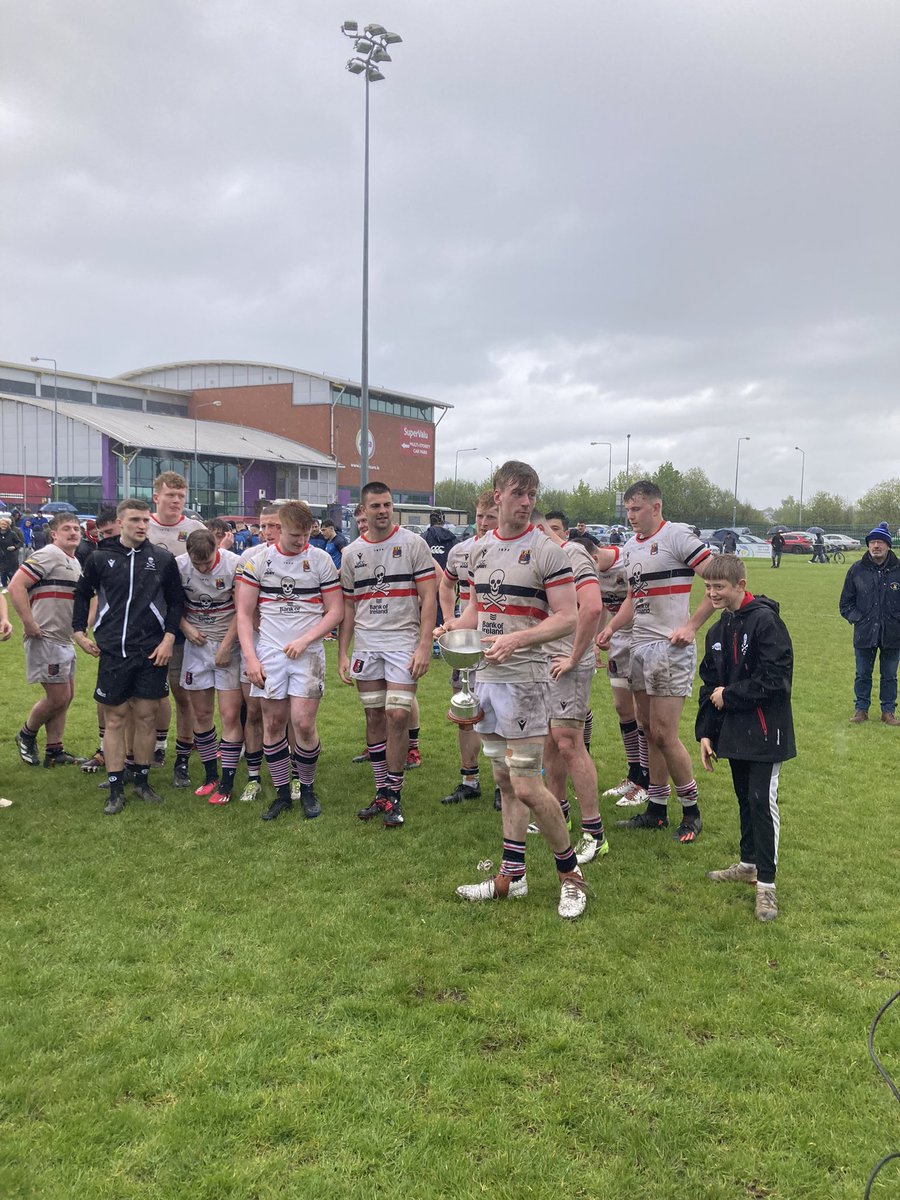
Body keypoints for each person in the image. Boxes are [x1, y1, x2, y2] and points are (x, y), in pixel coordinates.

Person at [440, 460, 588, 920]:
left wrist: (517, 639)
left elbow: (569, 616)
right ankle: (514, 875)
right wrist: (448, 633)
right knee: (503, 781)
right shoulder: (478, 550)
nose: (526, 502)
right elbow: (477, 613)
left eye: (532, 494)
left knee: (526, 784)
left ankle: (571, 877)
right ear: (497, 495)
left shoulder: (547, 551)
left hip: (526, 681)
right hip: (486, 680)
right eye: (518, 493)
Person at [597, 480, 714, 842]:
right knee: (648, 730)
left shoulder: (677, 536)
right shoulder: (631, 547)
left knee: (664, 732)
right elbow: (634, 597)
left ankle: (691, 809)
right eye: (628, 509)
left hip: (670, 649)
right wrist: (612, 628)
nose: (631, 516)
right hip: (639, 647)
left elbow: (719, 579)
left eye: (637, 509)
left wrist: (692, 625)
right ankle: (657, 810)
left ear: (656, 507)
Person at [696, 554, 795, 922]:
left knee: (761, 803)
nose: (713, 593)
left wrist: (730, 695)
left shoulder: (767, 623)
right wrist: (706, 732)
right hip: (733, 734)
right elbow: (709, 685)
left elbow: (776, 681)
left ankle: (767, 887)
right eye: (707, 587)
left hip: (767, 734)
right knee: (743, 799)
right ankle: (748, 864)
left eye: (719, 587)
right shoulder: (718, 630)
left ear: (741, 584)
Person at [72, 499, 185, 815]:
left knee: (147, 716)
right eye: (134, 520)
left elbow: (177, 603)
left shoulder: (161, 559)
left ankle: (142, 780)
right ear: (120, 522)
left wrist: (168, 639)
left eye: (145, 521)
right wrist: (79, 631)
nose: (141, 526)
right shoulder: (99, 558)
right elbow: (82, 594)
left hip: (152, 652)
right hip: (113, 652)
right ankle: (115, 786)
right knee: (116, 719)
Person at [339, 481, 437, 828]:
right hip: (367, 644)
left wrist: (425, 644)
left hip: (402, 641)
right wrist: (342, 653)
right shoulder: (351, 553)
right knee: (373, 717)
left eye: (387, 505)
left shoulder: (413, 544)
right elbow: (349, 609)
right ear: (362, 511)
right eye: (375, 506)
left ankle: (394, 793)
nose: (382, 511)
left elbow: (429, 599)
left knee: (397, 715)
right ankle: (381, 790)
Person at [238, 501, 343, 820]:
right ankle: (282, 794)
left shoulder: (321, 560)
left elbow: (335, 610)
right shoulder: (259, 561)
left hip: (307, 654)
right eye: (295, 536)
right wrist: (251, 658)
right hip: (269, 653)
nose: (301, 542)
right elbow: (243, 614)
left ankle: (307, 788)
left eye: (306, 535)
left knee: (303, 723)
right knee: (272, 723)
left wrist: (306, 639)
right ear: (279, 529)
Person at [536, 512, 610, 866]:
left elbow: (594, 607)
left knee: (568, 741)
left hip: (567, 661)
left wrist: (576, 655)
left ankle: (595, 834)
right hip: (544, 659)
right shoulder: (540, 557)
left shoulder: (572, 553)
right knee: (551, 739)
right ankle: (558, 812)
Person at [437, 489, 499, 805]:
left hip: (501, 644)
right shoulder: (461, 551)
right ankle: (469, 779)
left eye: (492, 517)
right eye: (480, 516)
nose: (484, 523)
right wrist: (450, 619)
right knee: (465, 711)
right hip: (466, 644)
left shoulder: (510, 551)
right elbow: (446, 584)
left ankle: (505, 784)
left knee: (501, 712)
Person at [9, 513, 84, 767]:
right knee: (58, 697)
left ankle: (55, 751)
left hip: (63, 638)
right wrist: (29, 623)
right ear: (54, 534)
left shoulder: (73, 560)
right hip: (46, 636)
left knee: (68, 695)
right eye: (67, 529)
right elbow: (17, 585)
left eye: (76, 528)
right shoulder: (48, 554)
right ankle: (26, 734)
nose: (73, 532)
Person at [147, 472, 206, 784]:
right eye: (170, 495)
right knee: (148, 697)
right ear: (156, 496)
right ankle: (151, 750)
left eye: (181, 496)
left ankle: (182, 758)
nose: (175, 501)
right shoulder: (144, 527)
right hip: (146, 627)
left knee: (184, 695)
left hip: (184, 627)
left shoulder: (194, 529)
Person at [178, 529, 244, 803]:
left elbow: (243, 609)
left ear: (218, 549)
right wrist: (186, 628)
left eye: (208, 562)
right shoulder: (179, 566)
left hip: (228, 645)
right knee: (202, 715)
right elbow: (173, 604)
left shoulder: (234, 564)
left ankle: (227, 783)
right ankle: (210, 776)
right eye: (198, 564)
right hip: (196, 647)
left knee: (230, 715)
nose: (203, 568)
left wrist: (227, 646)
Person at [838, 522, 900, 726]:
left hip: (893, 633)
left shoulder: (898, 570)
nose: (876, 546)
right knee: (862, 674)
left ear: (888, 545)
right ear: (868, 545)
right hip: (865, 632)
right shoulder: (857, 570)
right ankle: (861, 709)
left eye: (880, 542)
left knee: (889, 675)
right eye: (872, 542)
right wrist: (859, 618)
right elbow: (845, 603)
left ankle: (888, 711)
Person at [0, 517, 24, 590]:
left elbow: (20, 542)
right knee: (2, 573)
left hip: (11, 556)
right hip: (1, 556)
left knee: (11, 573)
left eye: (5, 524)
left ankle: (13, 587)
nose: (3, 525)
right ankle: (4, 587)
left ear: (8, 525)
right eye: (1, 524)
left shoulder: (12, 533)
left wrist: (14, 547)